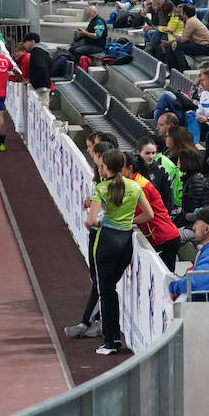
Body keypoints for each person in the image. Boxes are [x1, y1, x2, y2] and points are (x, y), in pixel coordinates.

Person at [83, 149, 152, 354]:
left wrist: (102, 221)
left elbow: (92, 220)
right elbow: (149, 214)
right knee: (110, 290)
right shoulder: (135, 186)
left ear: (107, 167)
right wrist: (128, 221)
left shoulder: (101, 189)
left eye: (102, 166)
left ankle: (110, 342)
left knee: (106, 291)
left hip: (105, 242)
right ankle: (114, 337)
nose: (99, 169)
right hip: (125, 243)